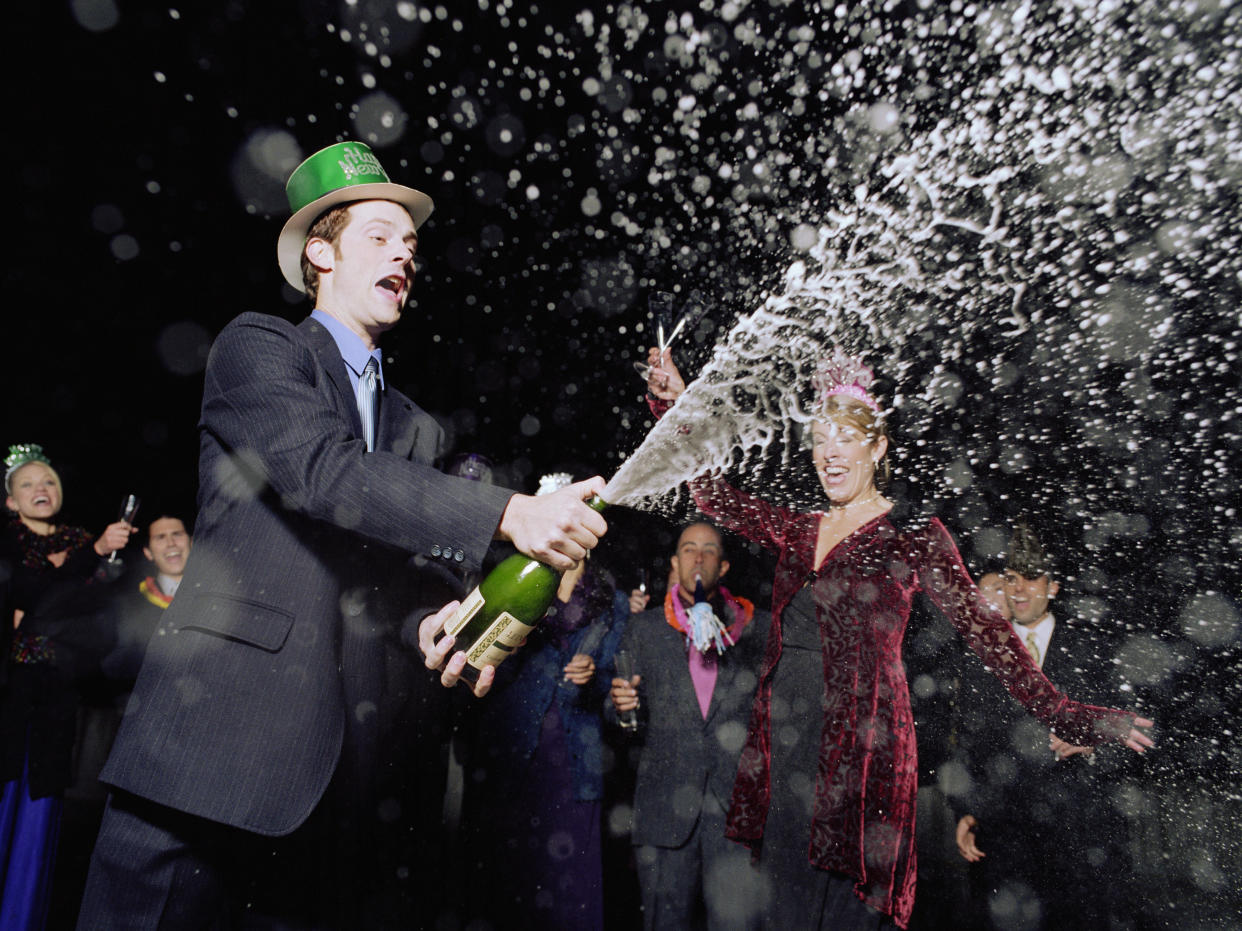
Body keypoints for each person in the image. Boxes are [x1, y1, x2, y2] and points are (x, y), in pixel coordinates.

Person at [77, 140, 608, 929]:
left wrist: (428, 620)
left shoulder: (417, 427)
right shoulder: (259, 349)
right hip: (207, 767)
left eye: (412, 243)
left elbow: (392, 575)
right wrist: (509, 511)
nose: (405, 253)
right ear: (318, 253)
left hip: (342, 797)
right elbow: (323, 474)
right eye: (380, 235)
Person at [642, 347, 1154, 930]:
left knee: (847, 913)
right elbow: (711, 496)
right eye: (820, 440)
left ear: (878, 446)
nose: (829, 454)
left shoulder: (914, 536)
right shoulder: (799, 527)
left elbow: (989, 634)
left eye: (845, 439)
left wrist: (1065, 713)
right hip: (785, 745)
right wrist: (673, 405)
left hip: (864, 752)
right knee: (784, 908)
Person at [461, 472, 631, 930]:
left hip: (575, 759)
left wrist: (595, 677)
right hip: (513, 747)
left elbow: (616, 682)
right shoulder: (511, 578)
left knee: (570, 888)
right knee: (507, 882)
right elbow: (477, 664)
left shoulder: (612, 600)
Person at [950, 523, 1134, 930]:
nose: (1018, 591)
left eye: (1031, 579)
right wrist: (964, 810)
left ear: (1053, 587)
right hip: (1004, 842)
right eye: (1011, 579)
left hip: (1082, 841)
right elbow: (967, 741)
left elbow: (1137, 730)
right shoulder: (984, 656)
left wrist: (1095, 744)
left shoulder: (1094, 650)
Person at [609, 520, 770, 930]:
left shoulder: (755, 629)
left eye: (709, 550)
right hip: (664, 811)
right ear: (675, 563)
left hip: (736, 812)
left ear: (725, 566)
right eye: (688, 549)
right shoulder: (644, 628)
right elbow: (616, 713)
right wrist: (619, 705)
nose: (698, 557)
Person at [0, 443, 134, 930]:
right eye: (28, 483)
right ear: (11, 500)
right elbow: (32, 593)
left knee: (39, 822)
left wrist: (44, 606)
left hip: (58, 699)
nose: (42, 489)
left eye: (50, 481)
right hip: (8, 698)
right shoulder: (11, 541)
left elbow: (100, 623)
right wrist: (88, 559)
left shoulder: (82, 539)